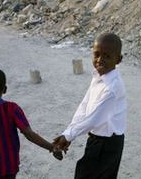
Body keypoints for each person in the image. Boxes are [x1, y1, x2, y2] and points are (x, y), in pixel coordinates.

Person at [54, 33, 127, 179]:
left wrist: (68, 136)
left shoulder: (112, 87)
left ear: (118, 59)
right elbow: (84, 106)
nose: (100, 60)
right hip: (96, 139)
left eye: (107, 56)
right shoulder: (99, 76)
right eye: (97, 54)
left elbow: (93, 119)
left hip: (107, 144)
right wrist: (68, 132)